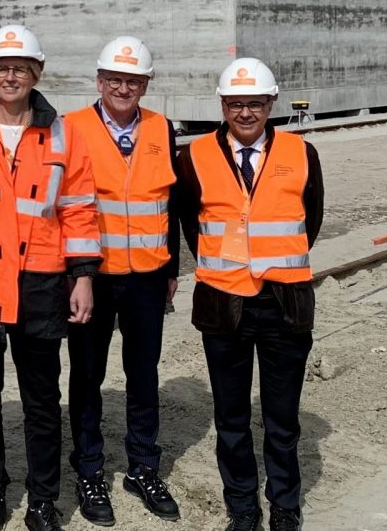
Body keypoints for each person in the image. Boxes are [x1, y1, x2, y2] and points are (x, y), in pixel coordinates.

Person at [0, 24, 100, 531]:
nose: (10, 76)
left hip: (40, 284)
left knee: (41, 400)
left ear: (37, 73)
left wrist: (82, 276)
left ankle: (42, 501)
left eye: (20, 68)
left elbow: (79, 208)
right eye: (1, 68)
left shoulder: (62, 132)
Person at [174, 57, 323, 531]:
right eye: (236, 103)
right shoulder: (193, 157)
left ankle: (284, 505)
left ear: (271, 103)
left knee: (282, 422)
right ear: (222, 104)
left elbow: (310, 221)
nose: (245, 113)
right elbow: (191, 228)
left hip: (284, 303)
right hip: (224, 306)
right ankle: (242, 508)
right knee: (231, 420)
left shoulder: (302, 153)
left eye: (254, 103)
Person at [60, 36, 182, 526]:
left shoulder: (160, 128)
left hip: (148, 277)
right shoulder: (72, 129)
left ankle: (142, 466)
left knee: (143, 373)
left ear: (146, 84)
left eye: (133, 81)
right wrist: (74, 274)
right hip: (93, 277)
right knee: (87, 377)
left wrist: (172, 266)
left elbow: (168, 203)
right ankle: (89, 470)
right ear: (99, 81)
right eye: (115, 79)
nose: (123, 88)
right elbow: (64, 207)